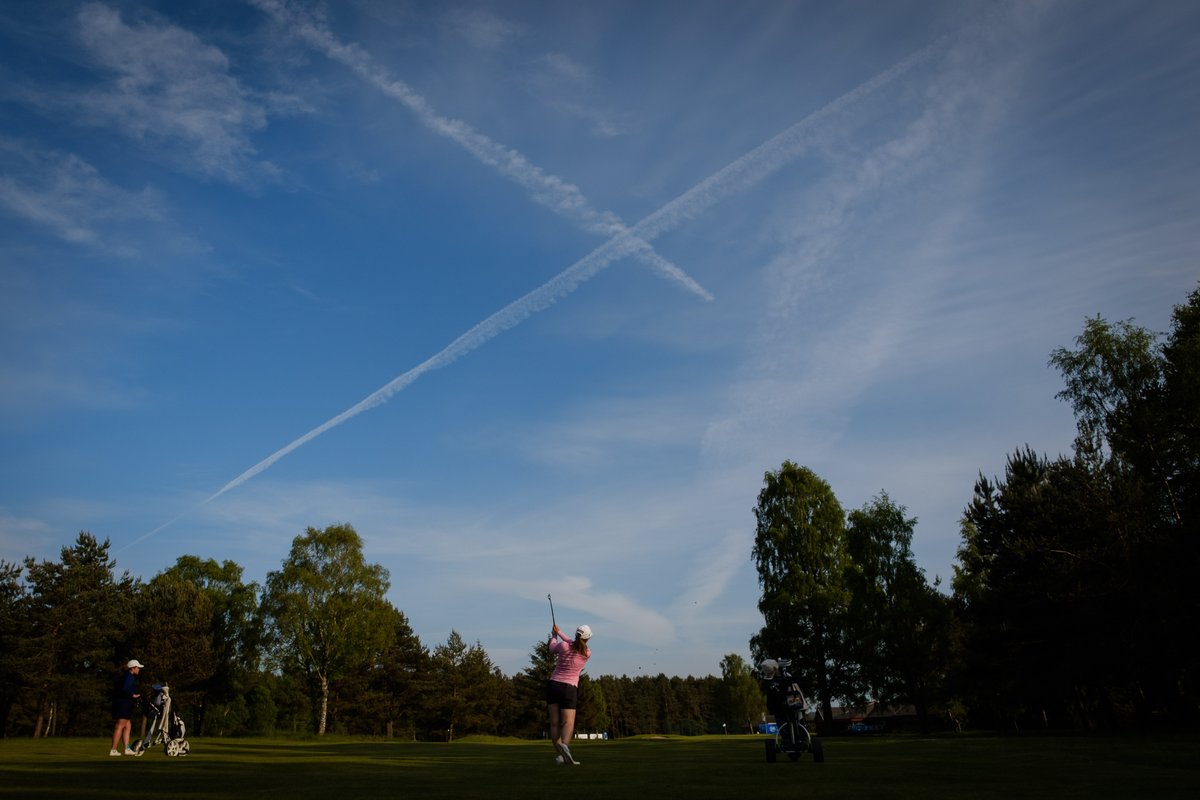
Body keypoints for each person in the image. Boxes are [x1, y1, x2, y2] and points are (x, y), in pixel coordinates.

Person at [546, 623, 592, 765]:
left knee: (554, 723)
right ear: (588, 638)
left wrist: (555, 635)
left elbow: (552, 648)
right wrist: (559, 632)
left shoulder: (564, 646)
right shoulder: (586, 653)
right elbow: (573, 643)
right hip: (569, 688)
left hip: (554, 685)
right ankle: (564, 747)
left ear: (576, 634)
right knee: (568, 722)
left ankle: (560, 755)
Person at [110, 659, 143, 756]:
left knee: (127, 726)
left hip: (123, 703)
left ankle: (126, 749)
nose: (139, 670)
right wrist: (133, 695)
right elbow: (125, 688)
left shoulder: (125, 676)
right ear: (133, 668)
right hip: (124, 704)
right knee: (120, 725)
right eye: (138, 668)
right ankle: (113, 749)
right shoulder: (129, 677)